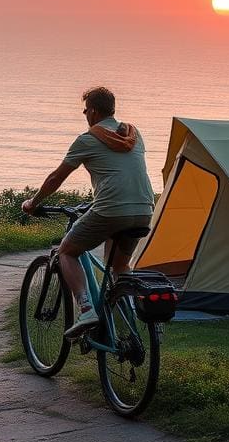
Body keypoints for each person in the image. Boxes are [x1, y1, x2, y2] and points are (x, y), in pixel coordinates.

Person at [22, 87, 154, 337]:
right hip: (144, 209)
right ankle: (127, 324)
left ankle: (86, 309)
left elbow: (56, 178)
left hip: (111, 211)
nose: (84, 114)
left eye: (85, 110)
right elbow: (123, 174)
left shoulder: (87, 140)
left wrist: (34, 202)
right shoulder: (135, 134)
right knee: (119, 266)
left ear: (92, 111)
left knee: (66, 252)